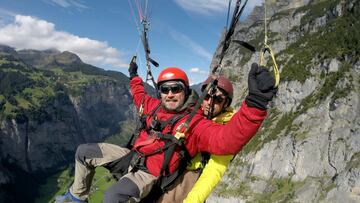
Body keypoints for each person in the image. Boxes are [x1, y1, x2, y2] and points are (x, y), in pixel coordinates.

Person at [55, 60, 276, 203]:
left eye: (176, 89)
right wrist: (133, 75)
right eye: (165, 90)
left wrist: (255, 103)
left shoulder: (195, 124)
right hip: (131, 156)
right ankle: (77, 198)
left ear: (186, 91)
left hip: (149, 172)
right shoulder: (154, 106)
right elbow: (139, 94)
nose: (170, 94)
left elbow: (225, 141)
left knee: (113, 197)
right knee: (84, 152)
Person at [158, 75, 236, 203]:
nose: (209, 103)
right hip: (175, 161)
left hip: (192, 171)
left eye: (217, 99)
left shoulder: (228, 129)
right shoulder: (194, 112)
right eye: (206, 96)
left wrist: (193, 200)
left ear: (226, 103)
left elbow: (215, 169)